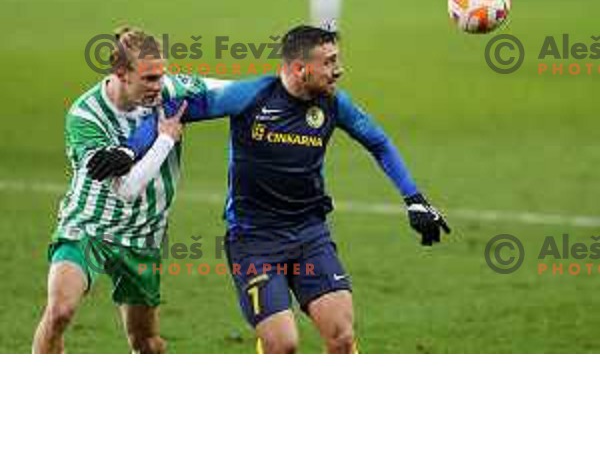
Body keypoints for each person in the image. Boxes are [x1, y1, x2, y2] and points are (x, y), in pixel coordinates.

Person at [98, 25, 450, 354]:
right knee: (283, 345)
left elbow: (379, 142)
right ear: (300, 69)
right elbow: (173, 109)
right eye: (328, 63)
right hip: (254, 241)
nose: (338, 70)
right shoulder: (250, 96)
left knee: (341, 337)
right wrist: (130, 150)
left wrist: (414, 199)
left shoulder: (334, 103)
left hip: (310, 233)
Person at [32, 28, 192, 353]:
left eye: (162, 75)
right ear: (121, 73)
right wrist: (165, 139)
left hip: (143, 234)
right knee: (59, 311)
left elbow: (231, 93)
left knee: (145, 342)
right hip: (88, 226)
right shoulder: (86, 116)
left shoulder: (169, 93)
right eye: (149, 78)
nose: (159, 86)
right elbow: (127, 189)